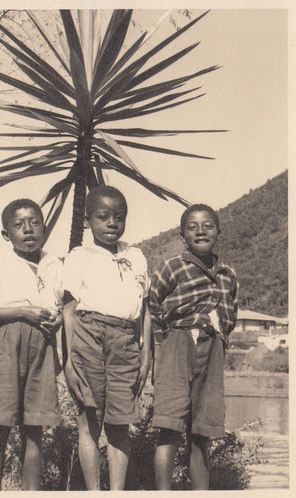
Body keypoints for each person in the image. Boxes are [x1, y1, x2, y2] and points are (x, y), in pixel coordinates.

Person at [63, 185, 152, 490]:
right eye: (103, 217)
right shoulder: (78, 257)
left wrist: (145, 357)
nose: (112, 223)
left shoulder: (136, 256)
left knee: (119, 424)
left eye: (119, 217)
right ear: (87, 221)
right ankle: (93, 492)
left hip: (126, 340)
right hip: (88, 335)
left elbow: (145, 310)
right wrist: (68, 362)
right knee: (89, 420)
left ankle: (117, 492)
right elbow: (70, 311)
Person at [0, 198, 63, 490]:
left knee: (34, 428)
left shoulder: (54, 264)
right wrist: (23, 311)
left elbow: (63, 309)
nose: (28, 230)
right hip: (7, 347)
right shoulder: (0, 264)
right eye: (18, 224)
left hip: (43, 347)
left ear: (44, 227)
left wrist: (57, 322)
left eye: (35, 222)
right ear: (6, 234)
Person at [149, 204, 238, 490]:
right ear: (182, 235)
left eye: (208, 225)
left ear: (219, 233)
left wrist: (220, 337)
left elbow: (230, 314)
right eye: (192, 226)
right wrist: (163, 343)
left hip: (212, 348)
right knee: (169, 426)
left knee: (202, 431)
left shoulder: (228, 273)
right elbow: (152, 304)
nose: (200, 231)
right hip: (176, 343)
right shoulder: (172, 266)